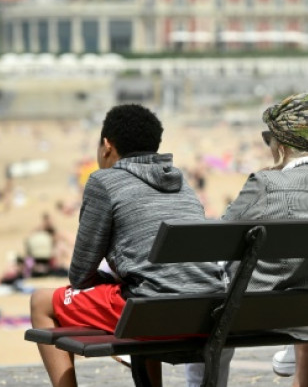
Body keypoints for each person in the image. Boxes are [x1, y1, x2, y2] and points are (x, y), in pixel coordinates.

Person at [30, 104, 226, 387]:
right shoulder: (182, 184)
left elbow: (80, 274)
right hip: (205, 314)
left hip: (150, 315)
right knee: (143, 289)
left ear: (107, 145)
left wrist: (110, 276)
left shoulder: (104, 181)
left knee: (40, 301)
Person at [185, 92, 308, 387]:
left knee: (215, 303)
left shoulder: (266, 184)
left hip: (252, 310)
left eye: (270, 139)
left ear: (282, 144)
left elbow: (221, 235)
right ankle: (295, 356)